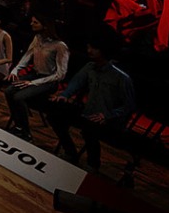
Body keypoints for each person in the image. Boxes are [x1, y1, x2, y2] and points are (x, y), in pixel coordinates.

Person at [46, 41, 136, 170]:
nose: (89, 50)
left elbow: (130, 105)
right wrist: (65, 95)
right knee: (54, 115)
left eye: (94, 48)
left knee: (89, 129)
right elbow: (76, 82)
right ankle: (70, 152)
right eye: (88, 47)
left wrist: (108, 115)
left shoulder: (121, 77)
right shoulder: (89, 67)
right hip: (89, 111)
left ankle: (93, 164)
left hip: (109, 120)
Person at [4, 16, 70, 142]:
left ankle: (26, 132)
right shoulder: (37, 38)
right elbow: (27, 55)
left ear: (45, 26)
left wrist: (33, 83)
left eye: (35, 22)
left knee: (19, 97)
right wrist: (15, 70)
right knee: (9, 91)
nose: (31, 24)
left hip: (49, 81)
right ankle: (18, 126)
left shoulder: (60, 46)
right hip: (35, 75)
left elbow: (60, 74)